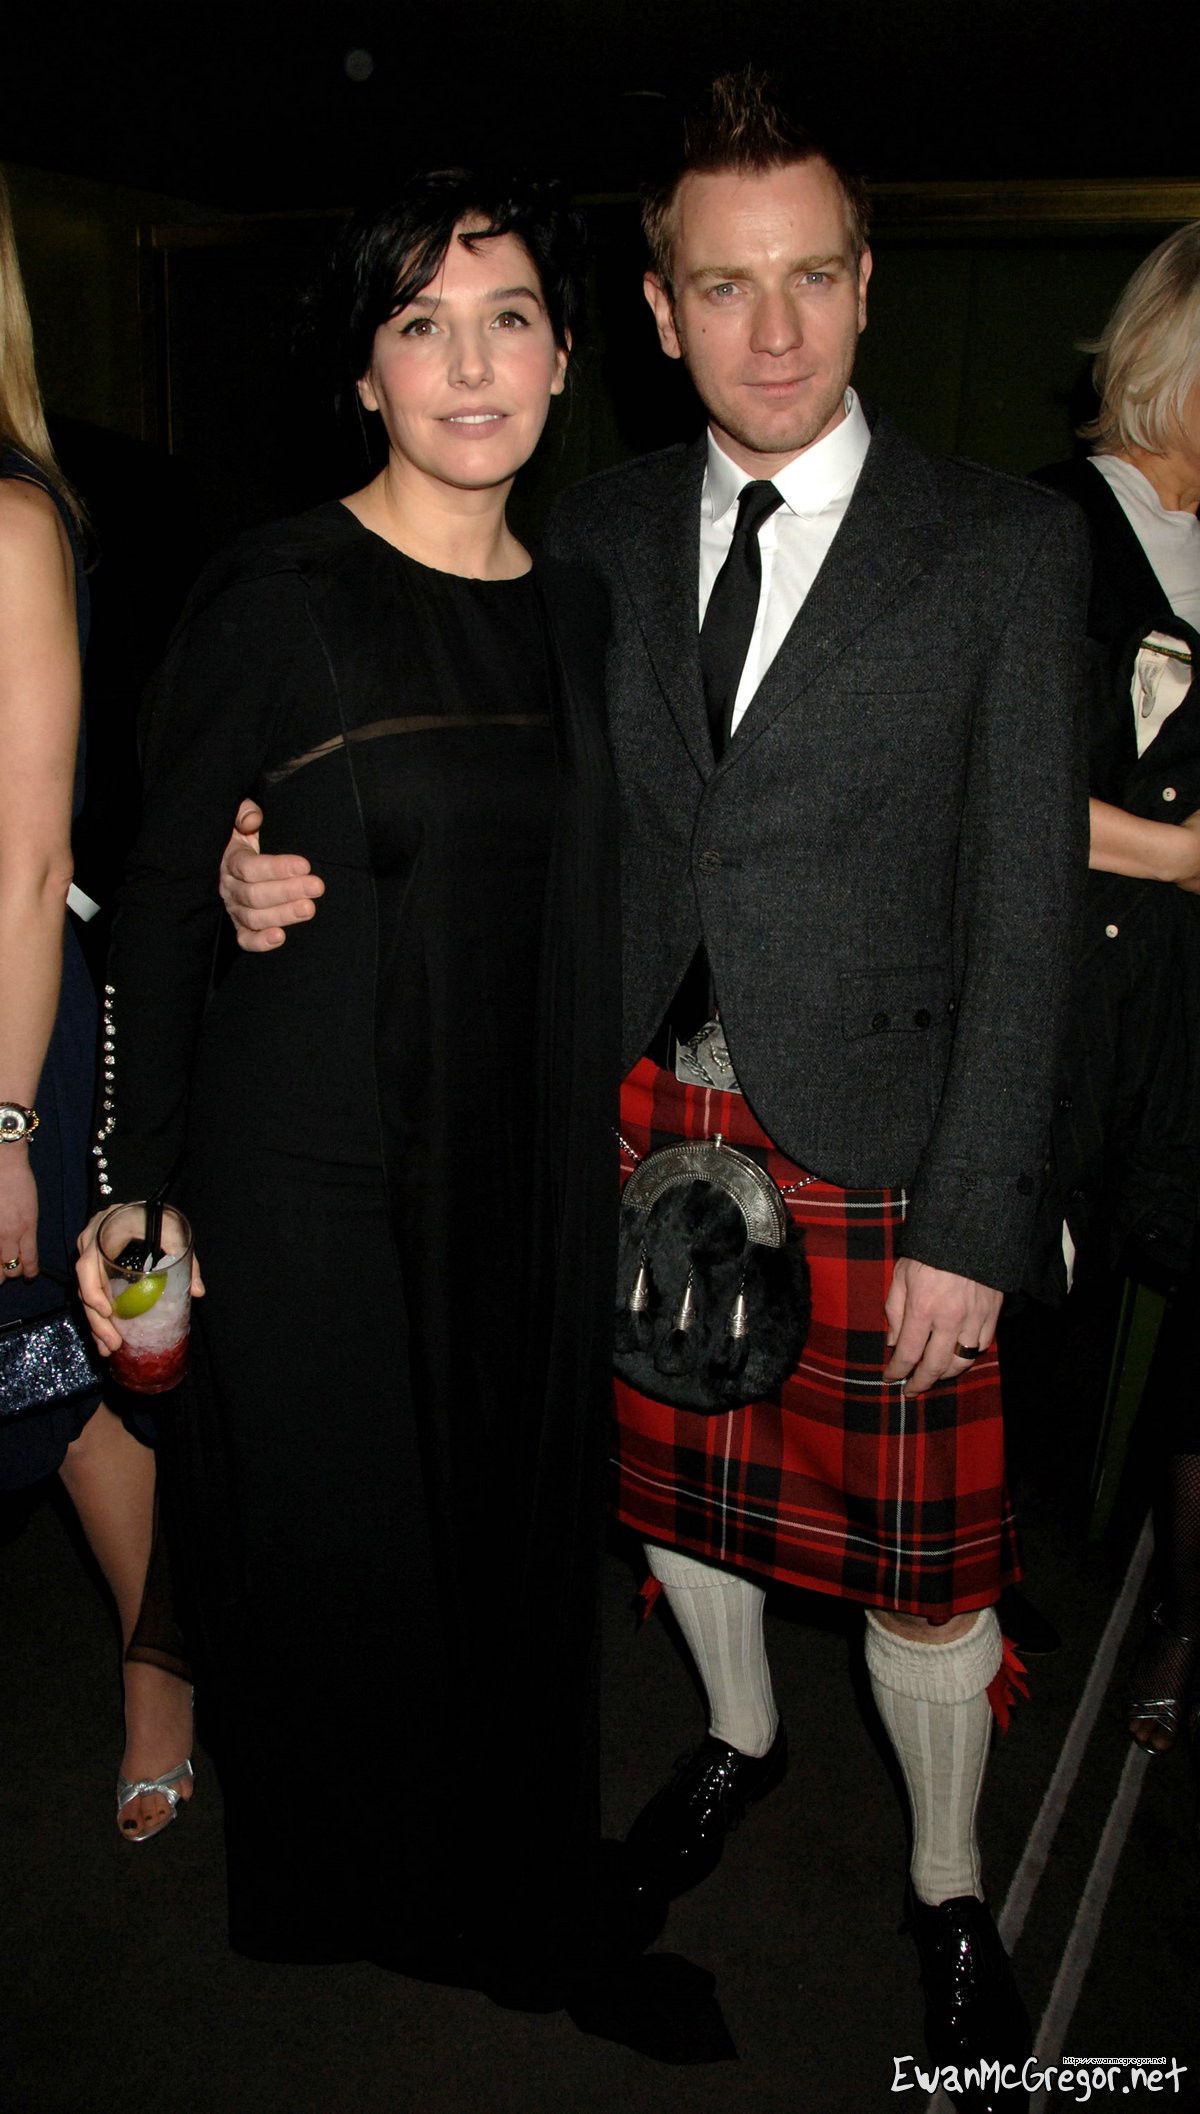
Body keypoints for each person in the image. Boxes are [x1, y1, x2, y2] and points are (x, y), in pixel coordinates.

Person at [219, 80, 1089, 2107]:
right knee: (679, 1510)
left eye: (811, 279)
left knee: (928, 1575)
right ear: (658, 306)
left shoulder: (1003, 545)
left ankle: (949, 1885)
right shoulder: (590, 532)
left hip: (883, 1150)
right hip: (617, 1124)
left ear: (867, 284)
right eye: (722, 286)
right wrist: (276, 855)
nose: (771, 332)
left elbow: (1030, 905)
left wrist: (978, 1209)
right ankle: (737, 1736)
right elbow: (446, 756)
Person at [74, 169, 643, 2000]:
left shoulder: (585, 613)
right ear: (366, 373)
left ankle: (477, 1849)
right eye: (421, 325)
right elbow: (165, 893)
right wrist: (134, 1178)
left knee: (492, 1532)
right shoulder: (280, 589)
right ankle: (348, 1880)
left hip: (513, 1164)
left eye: (507, 319)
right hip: (309, 1167)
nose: (470, 366)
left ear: (565, 352)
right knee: (338, 1550)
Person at [0, 171, 192, 1843]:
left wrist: (6, 1126)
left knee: (58, 1380)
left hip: (10, 1011)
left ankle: (160, 1671)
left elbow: (31, 853)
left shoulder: (11, 515)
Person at [1032, 223, 1200, 1761]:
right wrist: (1184, 853)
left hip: (1185, 1003)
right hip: (1072, 997)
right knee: (1047, 1315)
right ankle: (991, 1601)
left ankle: (1177, 1608)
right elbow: (986, 791)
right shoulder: (1053, 526)